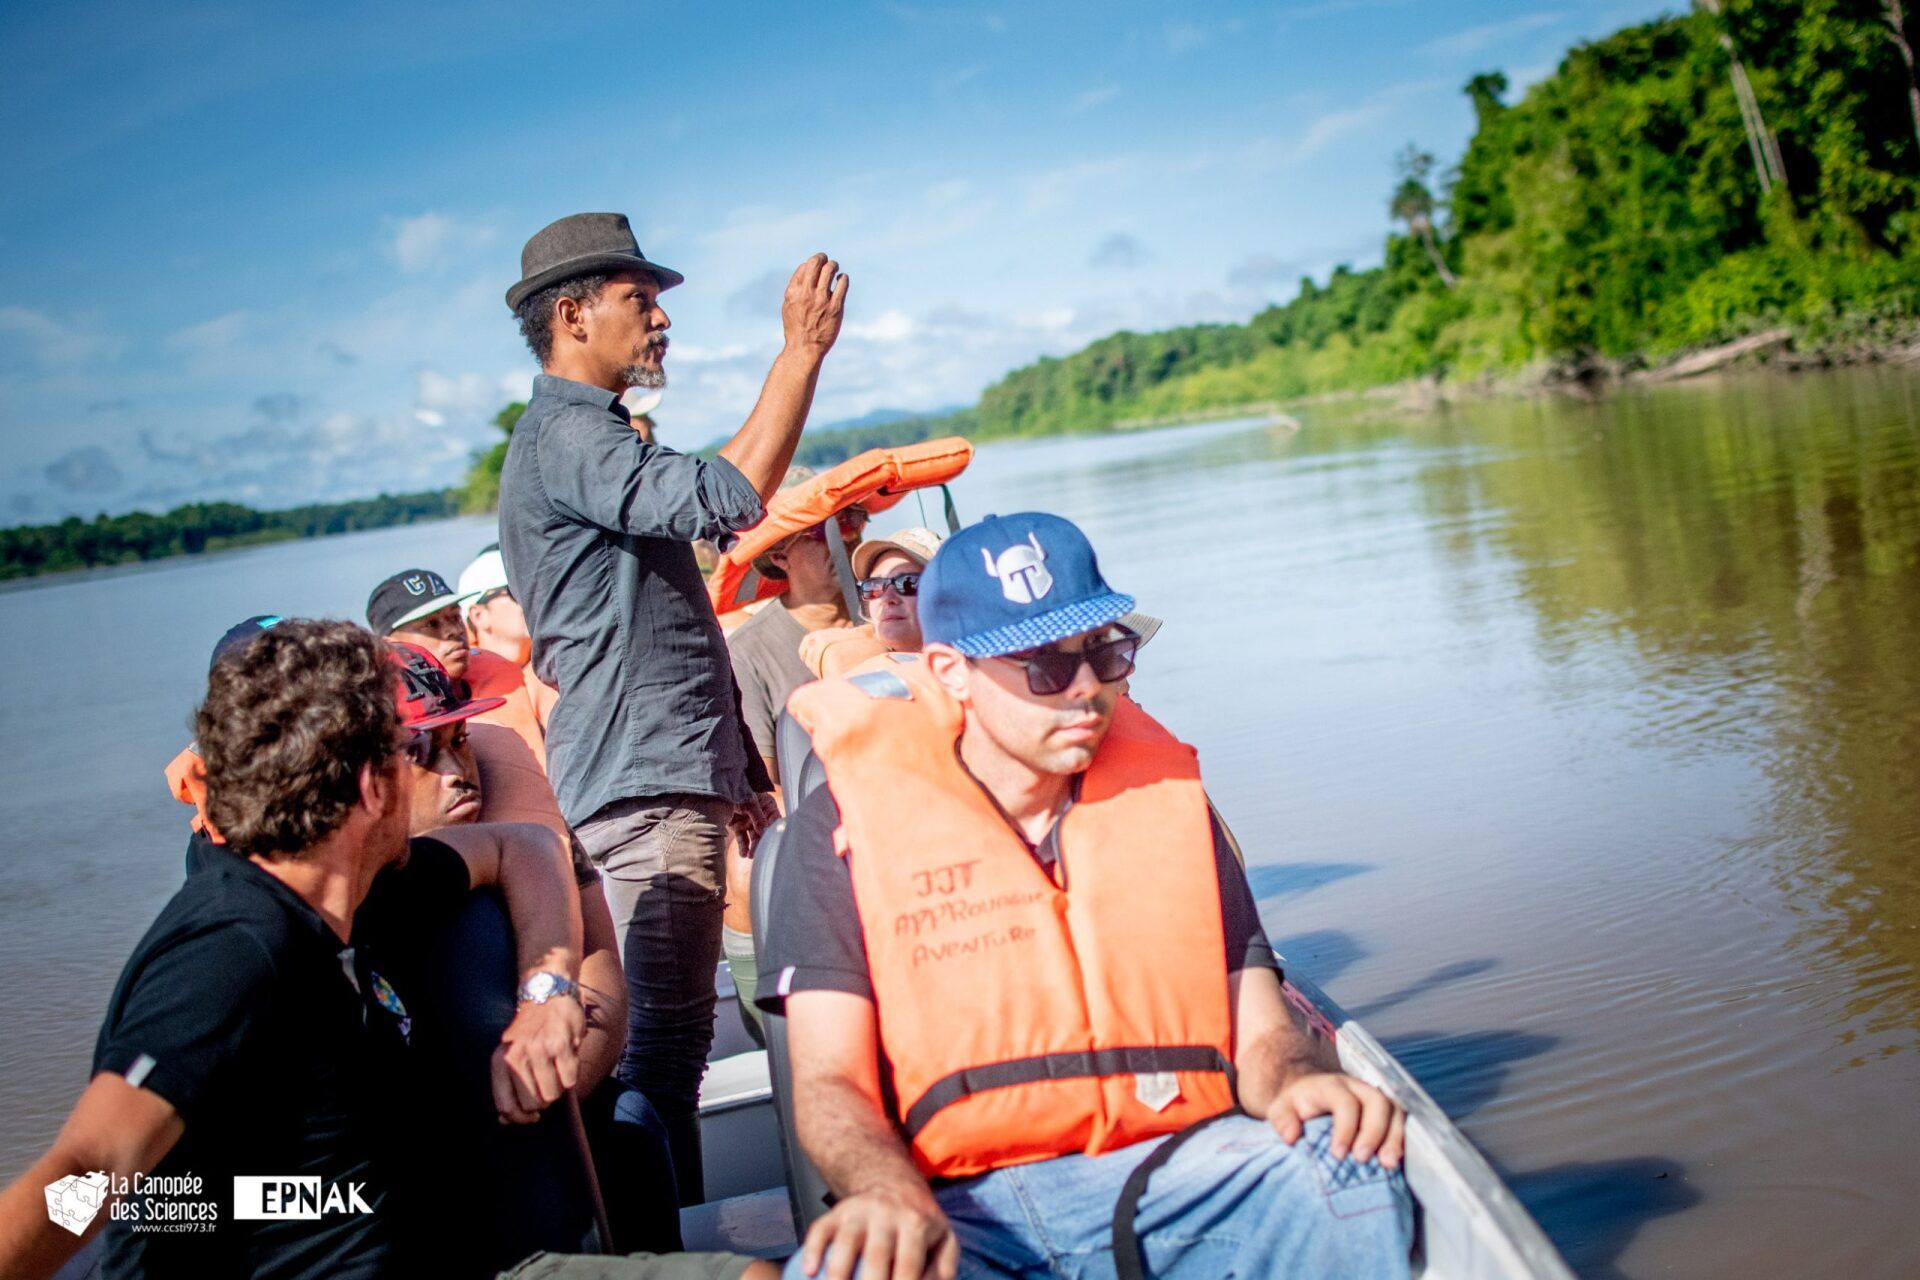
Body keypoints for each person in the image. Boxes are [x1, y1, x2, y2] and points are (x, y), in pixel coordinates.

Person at [760, 515, 1413, 1280]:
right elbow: (829, 1083)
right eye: (1043, 666)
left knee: (1348, 1177)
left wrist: (1303, 1083)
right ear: (950, 670)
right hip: (962, 1211)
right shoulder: (841, 831)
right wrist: (883, 1191)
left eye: (1104, 653)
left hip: (1187, 1169)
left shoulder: (1165, 804)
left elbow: (1261, 1032)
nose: (1086, 692)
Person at [0, 620, 590, 1279]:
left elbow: (526, 847)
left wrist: (547, 989)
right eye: (415, 750)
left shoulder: (363, 882)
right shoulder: (231, 953)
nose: (446, 769)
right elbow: (93, 1167)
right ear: (373, 785)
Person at [498, 210, 845, 1201]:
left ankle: (663, 1248)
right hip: (643, 778)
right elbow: (728, 495)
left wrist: (733, 768)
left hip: (660, 770)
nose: (661, 322)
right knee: (663, 1050)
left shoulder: (585, 436)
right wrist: (800, 354)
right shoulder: (569, 435)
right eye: (639, 302)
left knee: (671, 1047)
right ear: (572, 315)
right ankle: (656, 1254)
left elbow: (668, 615)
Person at [458, 546, 560, 767]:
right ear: (479, 616)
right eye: (515, 592)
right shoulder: (458, 690)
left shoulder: (554, 664)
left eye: (533, 589)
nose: (530, 600)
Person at [796, 528, 945, 679]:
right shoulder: (846, 675)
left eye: (908, 583)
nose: (887, 598)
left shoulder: (966, 670)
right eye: (874, 586)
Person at [369, 567, 471, 680]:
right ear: (389, 645)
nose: (455, 630)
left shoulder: (490, 674)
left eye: (455, 617)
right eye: (431, 624)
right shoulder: (377, 697)